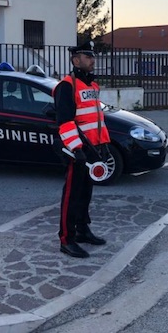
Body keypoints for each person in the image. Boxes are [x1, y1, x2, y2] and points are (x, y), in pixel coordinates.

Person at [53, 41, 111, 258]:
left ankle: (82, 230)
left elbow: (96, 118)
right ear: (76, 60)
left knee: (85, 192)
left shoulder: (92, 86)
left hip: (93, 149)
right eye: (88, 57)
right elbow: (65, 122)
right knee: (71, 194)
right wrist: (77, 149)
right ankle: (66, 239)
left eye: (92, 56)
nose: (93, 60)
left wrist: (103, 145)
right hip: (76, 150)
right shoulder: (67, 86)